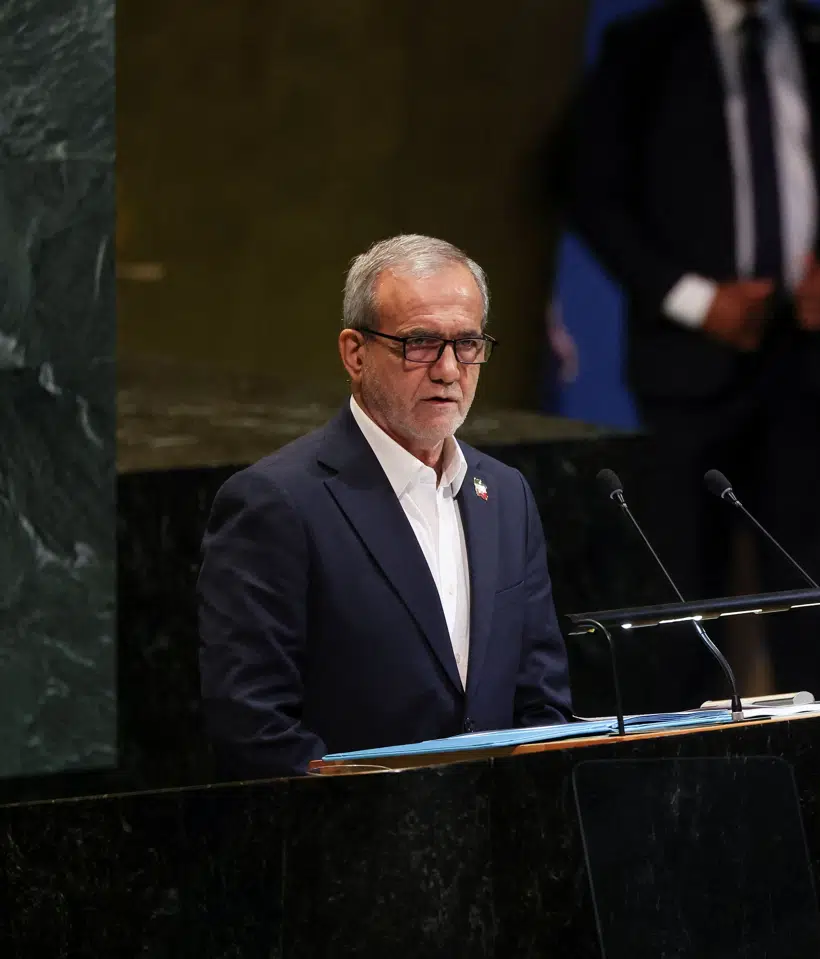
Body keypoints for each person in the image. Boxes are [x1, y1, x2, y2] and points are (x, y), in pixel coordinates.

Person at [562, 0, 820, 707]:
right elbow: (594, 193)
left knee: (815, 605)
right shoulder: (646, 46)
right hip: (688, 371)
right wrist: (698, 300)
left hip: (810, 367)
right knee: (685, 612)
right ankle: (685, 803)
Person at [197, 235, 572, 778]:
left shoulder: (505, 494)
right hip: (352, 848)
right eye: (419, 343)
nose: (448, 369)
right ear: (354, 352)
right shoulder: (276, 503)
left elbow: (542, 697)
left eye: (467, 343)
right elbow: (253, 727)